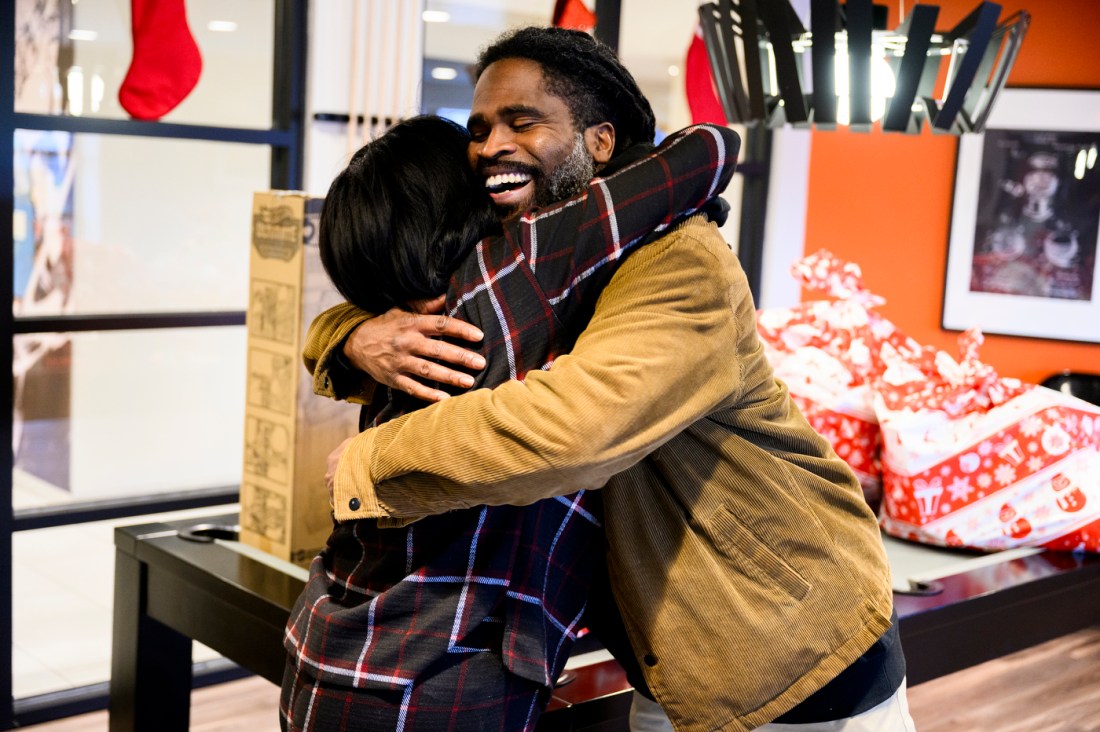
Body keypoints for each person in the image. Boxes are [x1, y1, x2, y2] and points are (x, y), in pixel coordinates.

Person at [309, 26, 916, 732]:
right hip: (670, 662)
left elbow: (575, 429)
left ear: (601, 141)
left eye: (522, 120)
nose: (490, 145)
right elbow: (413, 297)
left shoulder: (678, 260)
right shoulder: (534, 258)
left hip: (787, 648)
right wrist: (351, 336)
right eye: (477, 128)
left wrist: (369, 462)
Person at [280, 112, 740, 731]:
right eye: (479, 146)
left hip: (324, 645)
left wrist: (355, 331)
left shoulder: (405, 333)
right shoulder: (515, 274)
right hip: (431, 679)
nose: (495, 154)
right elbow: (706, 149)